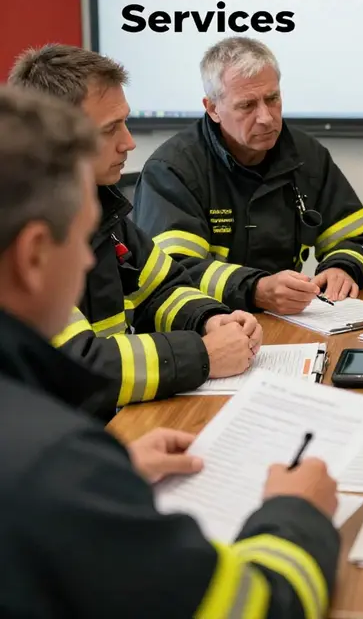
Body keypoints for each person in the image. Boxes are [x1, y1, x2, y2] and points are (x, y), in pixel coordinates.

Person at [0, 85, 340, 618]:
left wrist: (210, 318)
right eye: (79, 239)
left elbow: (164, 283)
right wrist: (296, 514)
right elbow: (261, 608)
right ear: (35, 255)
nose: (89, 266)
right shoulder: (52, 466)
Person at [8, 45, 261, 420]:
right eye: (110, 129)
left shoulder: (101, 206)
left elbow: (161, 288)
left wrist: (209, 319)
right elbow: (77, 364)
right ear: (55, 137)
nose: (128, 142)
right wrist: (204, 354)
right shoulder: (19, 227)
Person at [132, 36, 363, 316]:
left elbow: (359, 237)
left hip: (288, 321)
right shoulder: (172, 169)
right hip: (207, 325)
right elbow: (172, 271)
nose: (266, 117)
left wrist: (342, 266)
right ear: (212, 108)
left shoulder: (306, 155)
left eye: (272, 99)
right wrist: (255, 289)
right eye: (247, 105)